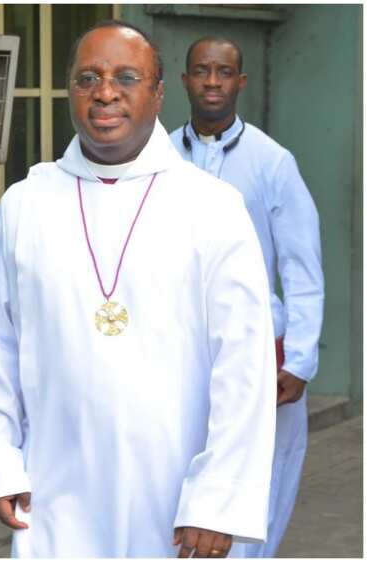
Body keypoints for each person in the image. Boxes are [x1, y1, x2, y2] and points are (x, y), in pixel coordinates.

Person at [0, 20, 276, 558]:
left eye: (126, 77)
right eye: (87, 79)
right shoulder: (26, 205)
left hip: (176, 501)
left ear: (158, 93)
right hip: (54, 496)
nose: (105, 93)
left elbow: (244, 368)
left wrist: (218, 499)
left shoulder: (211, 207)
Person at [170, 36, 324, 557]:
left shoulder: (272, 162)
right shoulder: (159, 156)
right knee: (182, 469)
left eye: (223, 72)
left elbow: (302, 268)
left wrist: (300, 359)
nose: (212, 82)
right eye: (201, 71)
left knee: (262, 475)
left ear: (240, 81)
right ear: (185, 79)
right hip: (180, 348)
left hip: (263, 350)